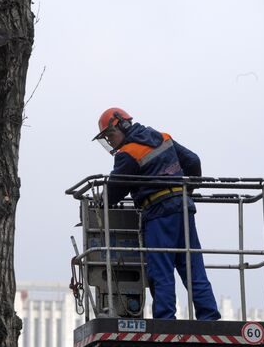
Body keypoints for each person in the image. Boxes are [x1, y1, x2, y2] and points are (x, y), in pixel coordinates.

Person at [92, 107, 221, 321]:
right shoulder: (163, 138)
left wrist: (101, 201)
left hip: (159, 212)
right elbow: (193, 161)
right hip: (183, 208)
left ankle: (165, 320)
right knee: (192, 266)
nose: (110, 142)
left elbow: (115, 189)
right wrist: (186, 190)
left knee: (161, 269)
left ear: (123, 126)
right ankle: (209, 317)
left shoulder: (128, 153)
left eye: (110, 135)